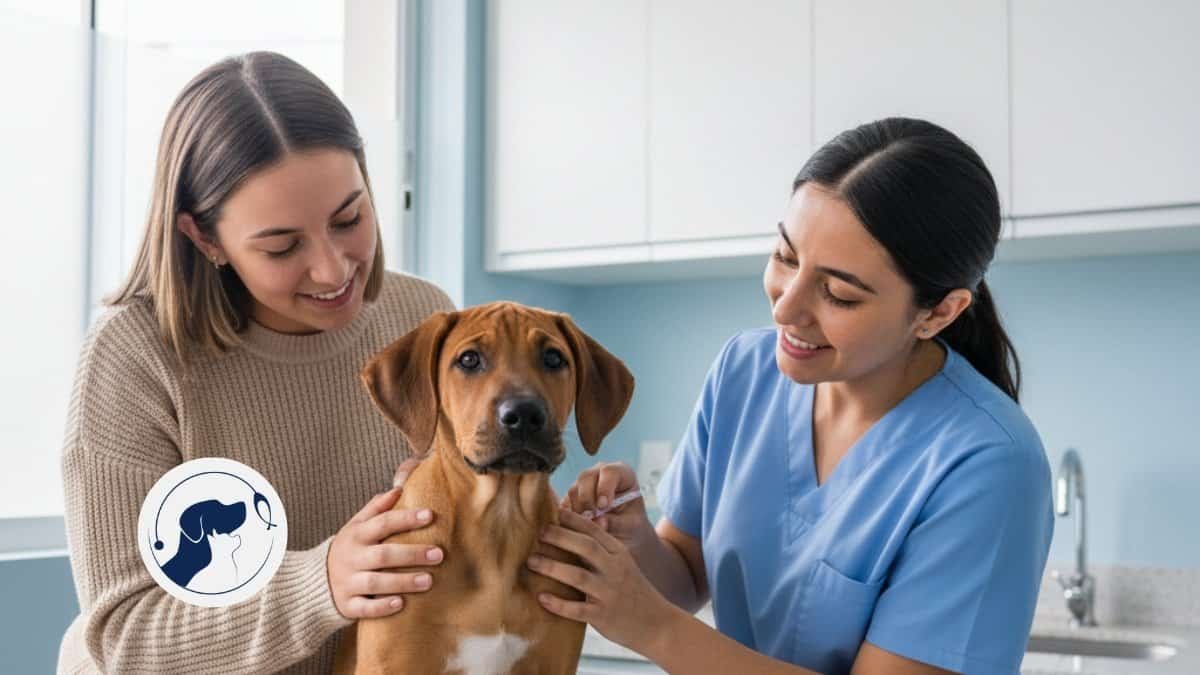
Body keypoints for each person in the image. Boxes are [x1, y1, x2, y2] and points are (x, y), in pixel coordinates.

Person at [530, 118, 1054, 675]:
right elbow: (684, 575)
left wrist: (653, 627)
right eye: (785, 256)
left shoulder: (989, 463)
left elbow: (665, 618)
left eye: (838, 294)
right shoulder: (743, 372)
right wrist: (633, 542)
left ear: (939, 312)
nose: (785, 308)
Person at [57, 52, 454, 674]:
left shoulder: (424, 319)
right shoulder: (135, 356)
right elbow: (125, 640)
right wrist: (322, 583)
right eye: (282, 245)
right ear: (204, 238)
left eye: (349, 218)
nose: (333, 268)